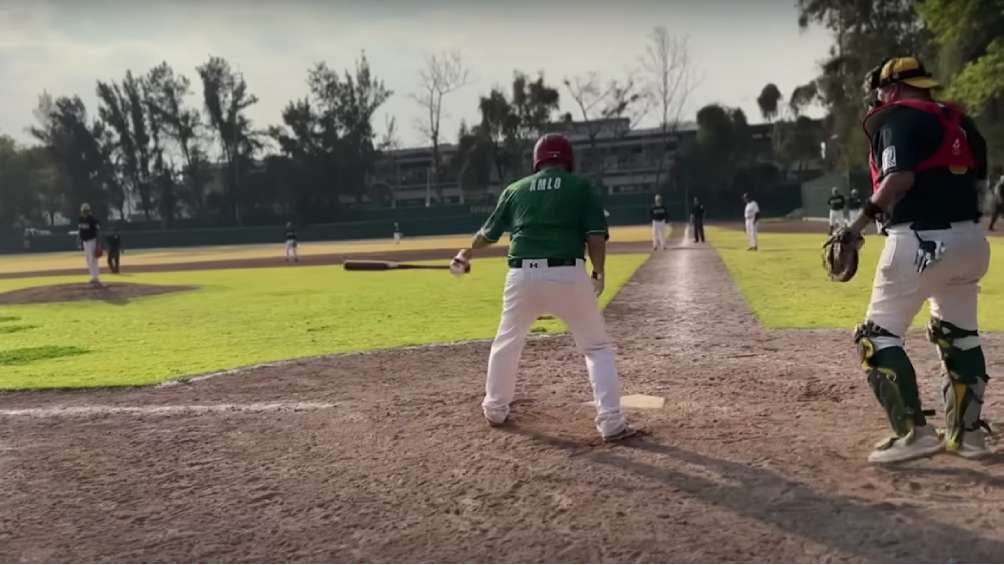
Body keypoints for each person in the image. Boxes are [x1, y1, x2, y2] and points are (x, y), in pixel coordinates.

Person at [839, 56, 991, 464]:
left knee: (877, 336)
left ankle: (914, 435)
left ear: (891, 88)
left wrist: (857, 227)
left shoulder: (897, 119)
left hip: (919, 239)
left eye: (880, 92)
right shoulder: (961, 122)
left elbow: (899, 178)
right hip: (972, 241)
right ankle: (967, 436)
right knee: (959, 334)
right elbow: (978, 180)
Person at [449, 133, 636, 442]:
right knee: (596, 348)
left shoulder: (515, 189)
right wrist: (598, 272)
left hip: (521, 276)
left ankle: (495, 409)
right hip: (567, 272)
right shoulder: (580, 186)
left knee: (507, 342)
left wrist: (466, 252)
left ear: (536, 161)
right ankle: (611, 422)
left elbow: (488, 234)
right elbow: (595, 236)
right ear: (568, 160)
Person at [77, 203, 102, 285]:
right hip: (85, 241)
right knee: (88, 259)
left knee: (93, 259)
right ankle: (93, 276)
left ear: (89, 211)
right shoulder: (80, 219)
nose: (85, 212)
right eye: (84, 211)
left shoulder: (92, 219)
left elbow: (98, 230)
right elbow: (80, 231)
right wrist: (79, 241)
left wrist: (98, 243)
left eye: (86, 211)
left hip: (92, 240)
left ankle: (96, 277)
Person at [988, 166, 1004, 231]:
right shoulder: (1000, 184)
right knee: (996, 213)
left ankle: (991, 226)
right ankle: (990, 226)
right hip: (999, 200)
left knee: (996, 213)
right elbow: (997, 191)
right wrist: (999, 199)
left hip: (1001, 199)